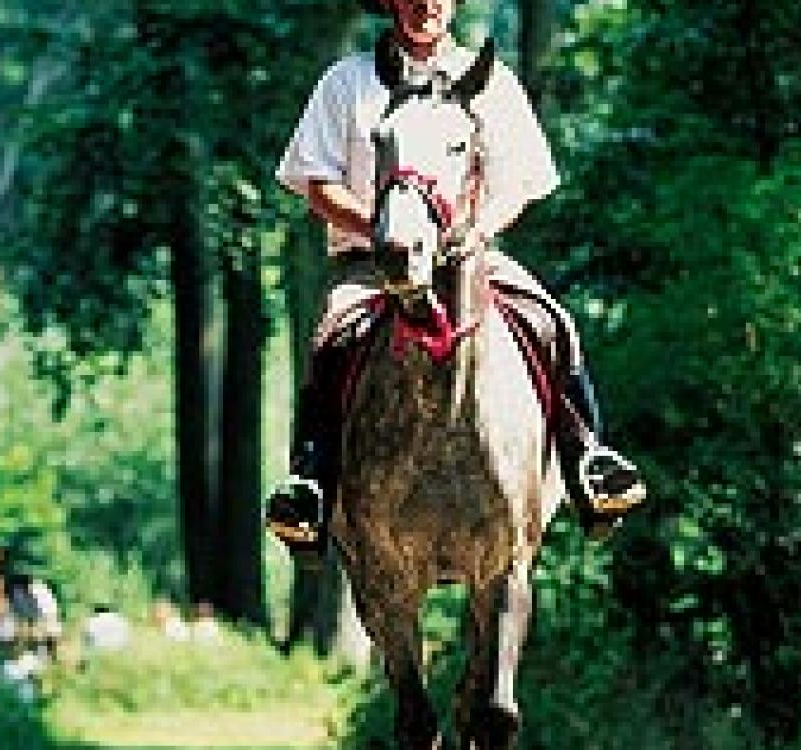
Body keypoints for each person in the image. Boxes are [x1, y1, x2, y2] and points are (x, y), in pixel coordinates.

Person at [265, 0, 647, 559]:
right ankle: (311, 484)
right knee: (332, 338)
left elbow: (519, 182)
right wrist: (382, 228)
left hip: (466, 259)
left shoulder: (490, 81)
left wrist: (480, 229)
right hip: (372, 260)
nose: (425, 5)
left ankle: (588, 459)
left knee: (549, 319)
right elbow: (317, 181)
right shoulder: (346, 83)